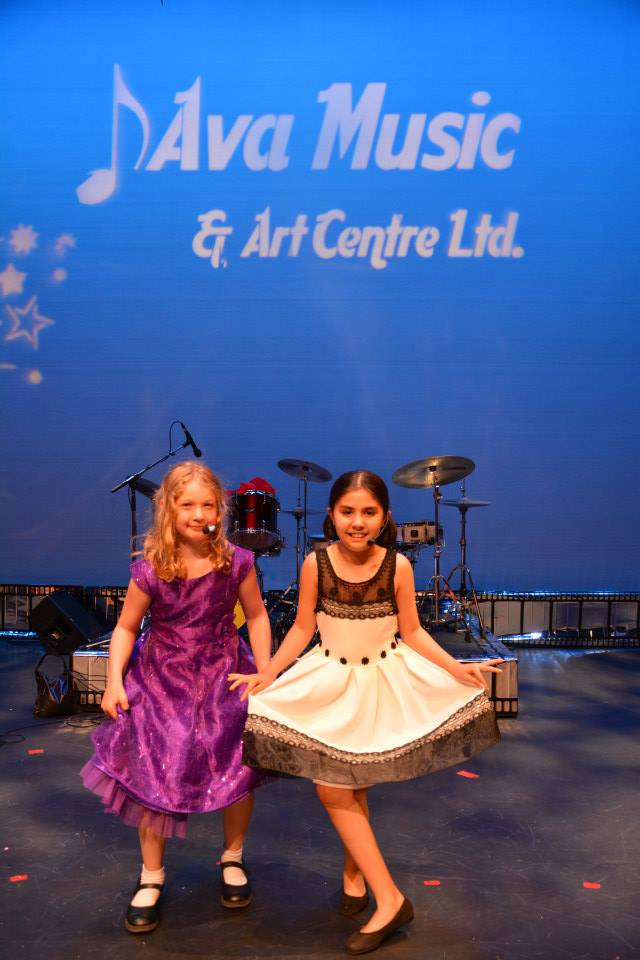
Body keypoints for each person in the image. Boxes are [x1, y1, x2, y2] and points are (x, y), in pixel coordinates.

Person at [229, 469, 501, 956]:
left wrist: (457, 666)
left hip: (380, 681)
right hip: (332, 678)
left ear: (385, 517)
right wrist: (267, 673)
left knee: (355, 782)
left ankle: (370, 887)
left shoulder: (397, 566)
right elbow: (302, 627)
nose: (357, 522)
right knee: (336, 789)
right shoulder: (317, 562)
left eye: (368, 512)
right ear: (332, 515)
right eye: (348, 512)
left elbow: (413, 632)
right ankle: (376, 889)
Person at [81, 461, 271, 934]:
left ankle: (232, 857)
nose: (198, 512)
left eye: (207, 504)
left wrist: (265, 671)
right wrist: (114, 681)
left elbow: (259, 616)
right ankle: (151, 875)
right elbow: (126, 628)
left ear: (220, 510)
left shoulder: (237, 562)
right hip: (162, 678)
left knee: (237, 768)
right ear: (168, 508)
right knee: (154, 772)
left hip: (225, 673)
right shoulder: (151, 569)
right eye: (187, 504)